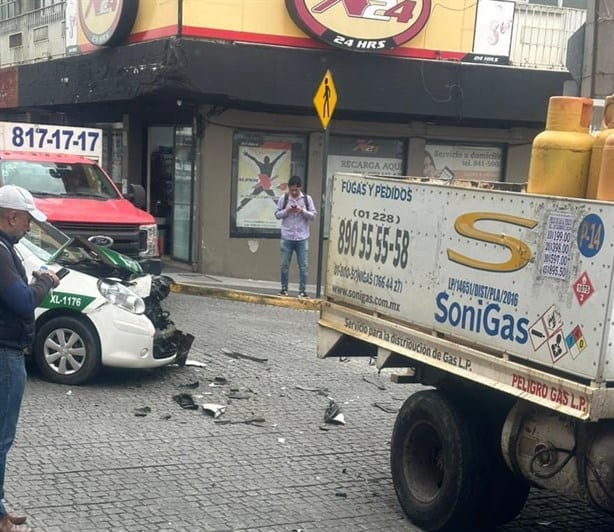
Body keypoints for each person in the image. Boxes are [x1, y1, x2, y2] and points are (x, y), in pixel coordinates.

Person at [0, 185, 59, 532]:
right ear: (12, 216)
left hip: (6, 350)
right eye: (27, 221)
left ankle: (1, 508)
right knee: (2, 439)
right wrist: (45, 282)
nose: (29, 228)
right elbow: (22, 302)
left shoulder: (6, 249)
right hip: (4, 355)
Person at [274, 176, 316, 298]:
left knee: (303, 265)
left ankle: (302, 291)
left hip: (302, 238)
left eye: (295, 190)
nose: (293, 192)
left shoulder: (307, 199)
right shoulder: (284, 198)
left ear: (300, 188)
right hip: (287, 237)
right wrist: (286, 210)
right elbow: (277, 215)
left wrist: (302, 210)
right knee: (284, 265)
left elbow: (313, 216)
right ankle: (283, 289)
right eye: (291, 190)